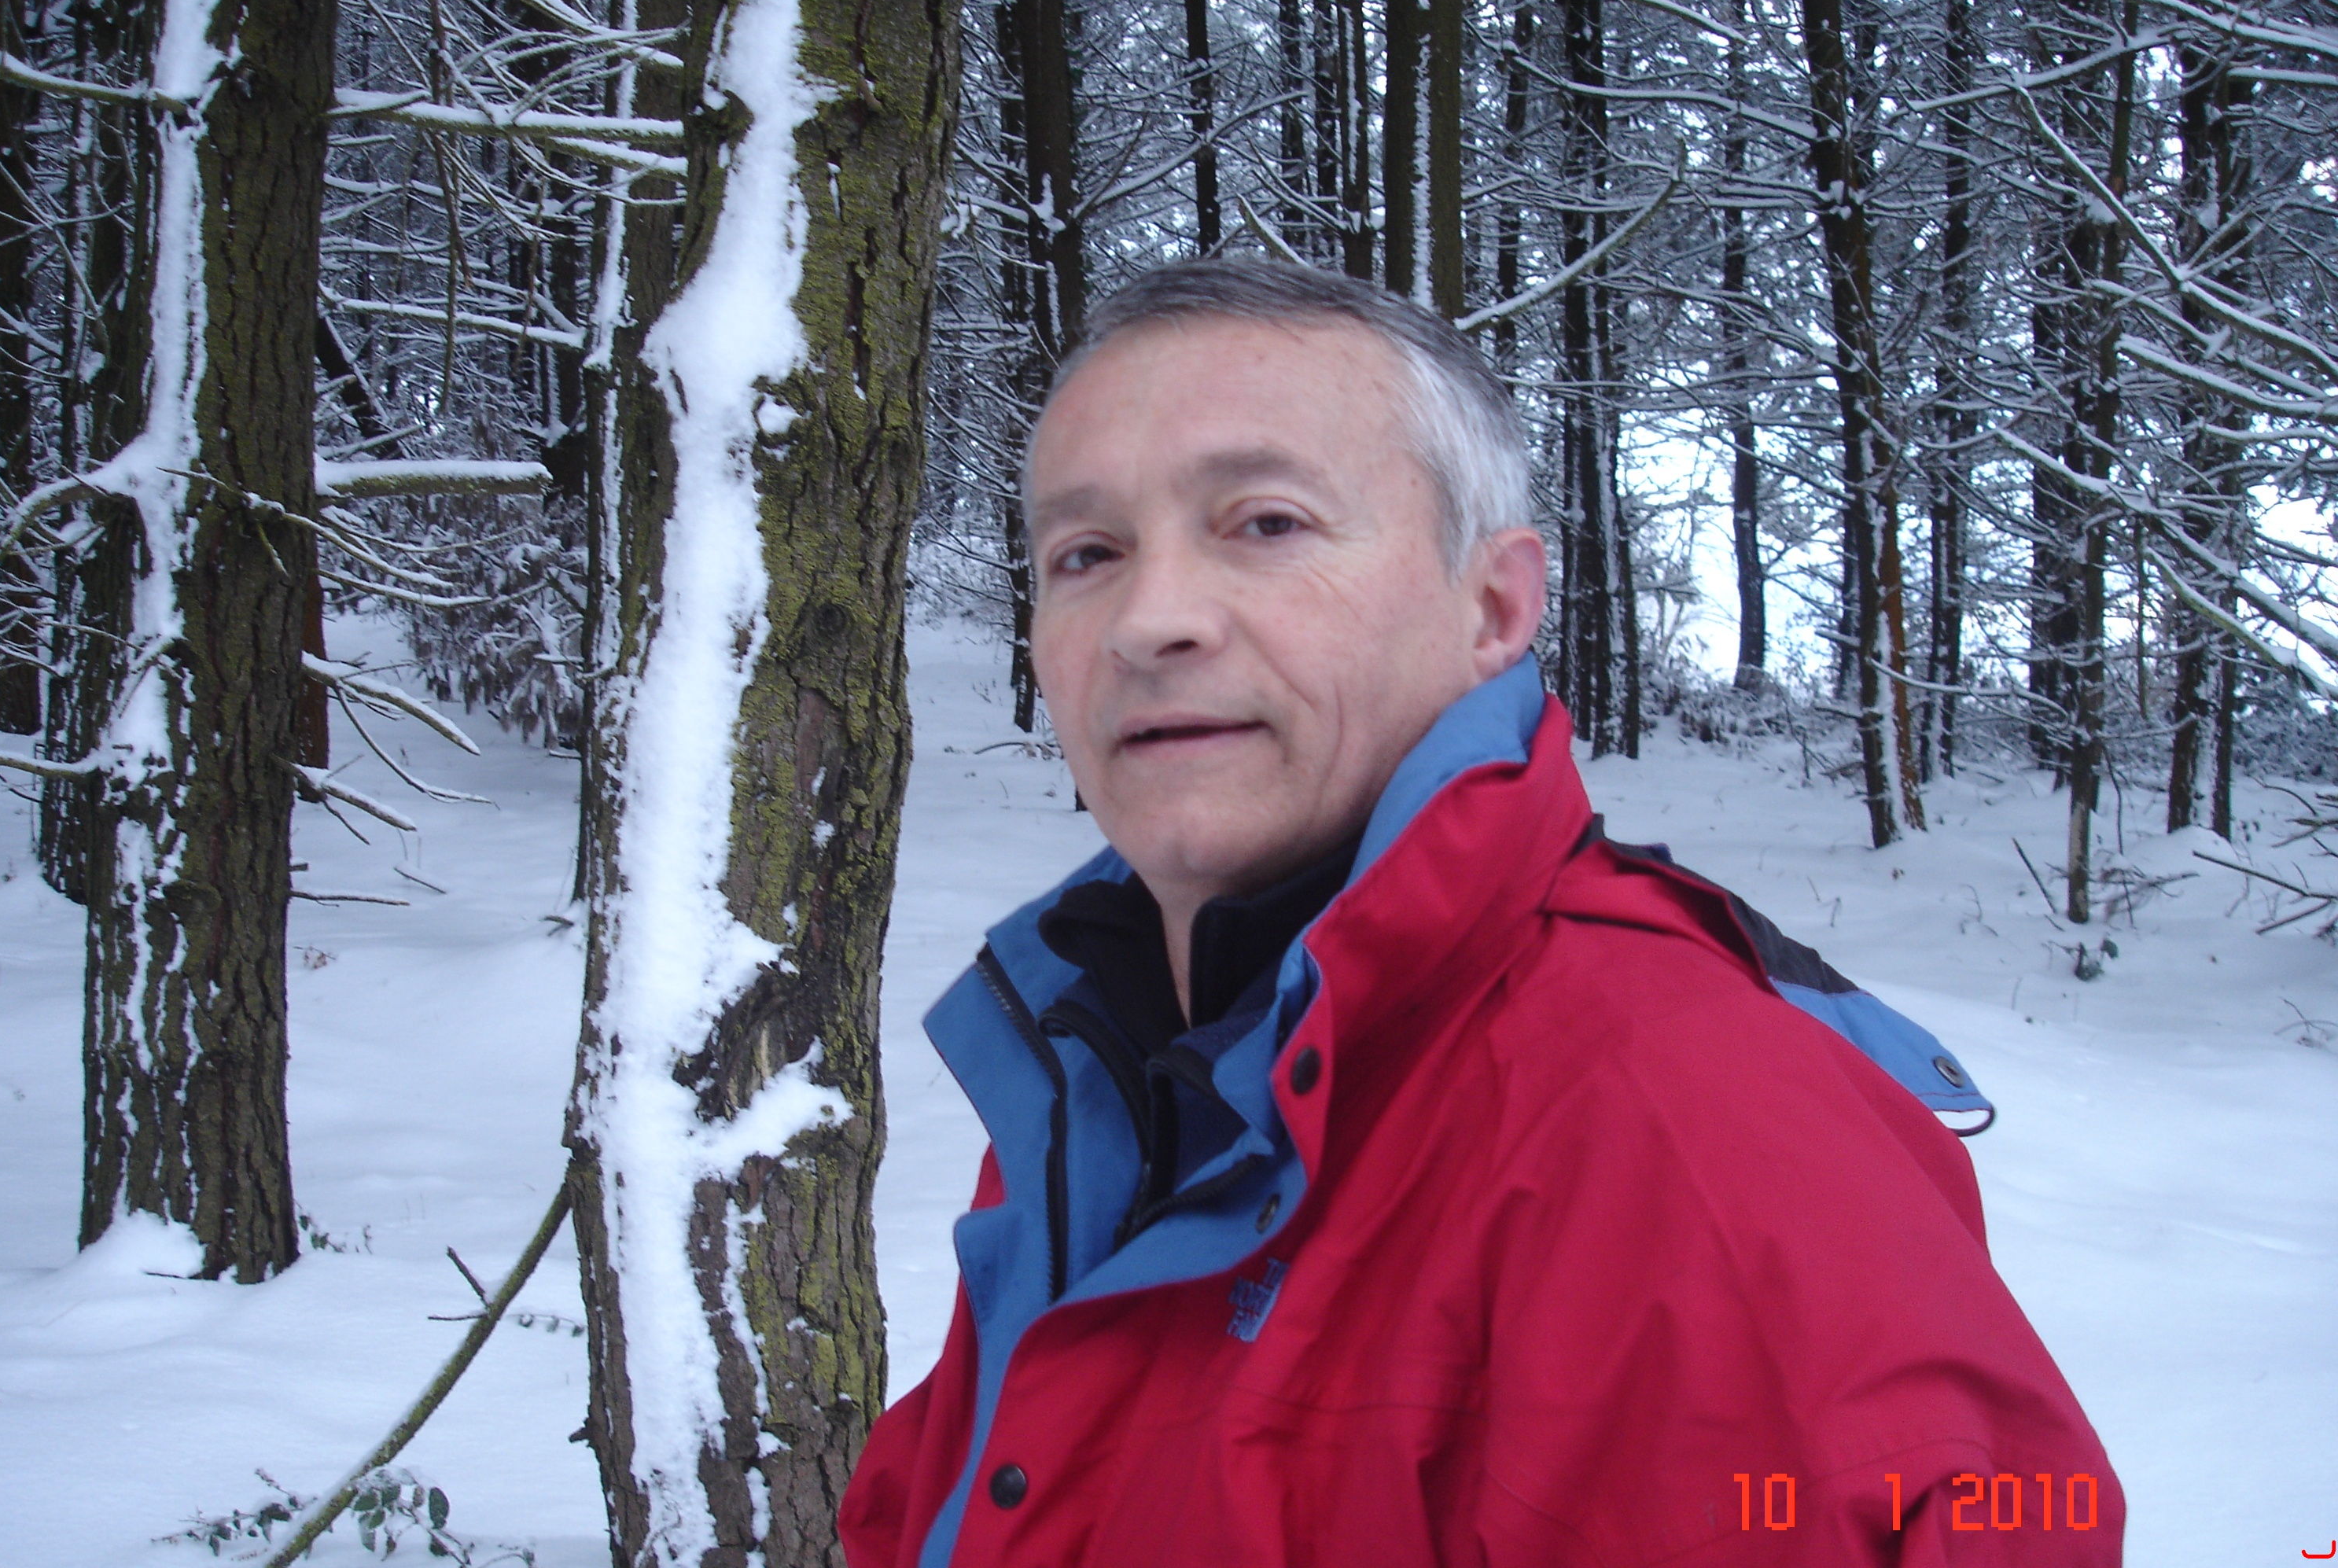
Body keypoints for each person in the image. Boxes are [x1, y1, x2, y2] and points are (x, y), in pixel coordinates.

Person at [841, 259, 2122, 1566]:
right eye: (1087, 554)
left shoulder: (1677, 1128)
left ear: (1496, 607)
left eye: (1266, 523)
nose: (1147, 620)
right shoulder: (1111, 1064)